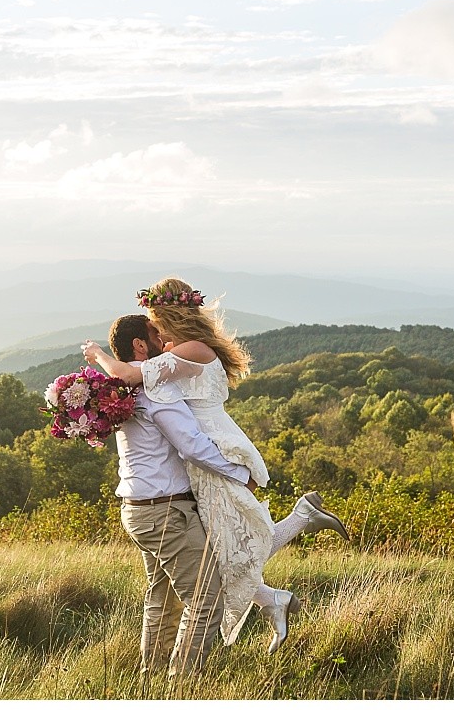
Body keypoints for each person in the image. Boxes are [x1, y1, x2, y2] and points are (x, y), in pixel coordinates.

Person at [86, 282, 349, 653]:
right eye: (153, 329)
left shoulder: (192, 349)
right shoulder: (183, 350)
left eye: (157, 323)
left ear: (169, 318)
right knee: (228, 541)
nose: (158, 333)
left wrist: (97, 354)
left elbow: (131, 376)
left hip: (214, 448)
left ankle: (296, 538)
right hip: (203, 452)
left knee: (233, 541)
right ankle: (277, 593)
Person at [106, 312, 255, 677]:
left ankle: (151, 679)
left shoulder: (123, 390)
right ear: (141, 345)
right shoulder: (155, 389)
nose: (165, 339)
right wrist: (240, 473)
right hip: (166, 512)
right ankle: (181, 684)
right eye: (156, 333)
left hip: (137, 510)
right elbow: (192, 446)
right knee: (206, 598)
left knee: (162, 599)